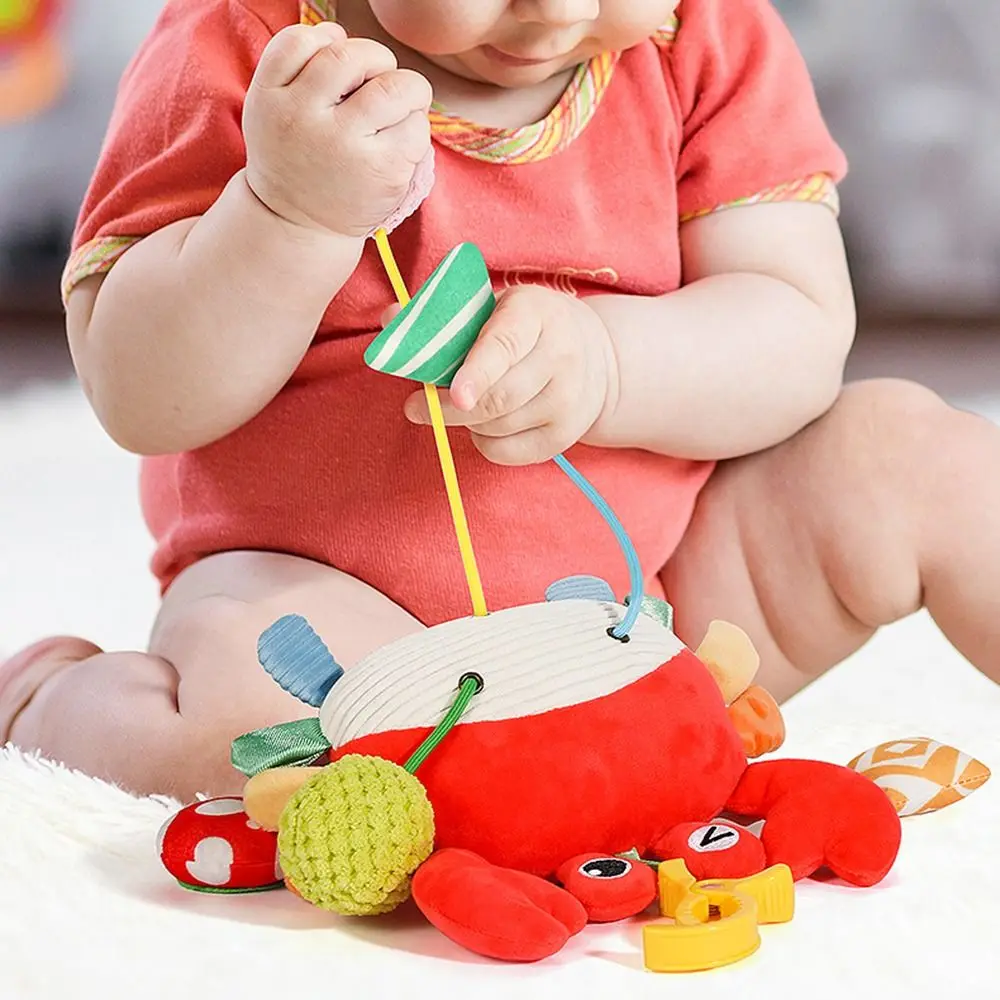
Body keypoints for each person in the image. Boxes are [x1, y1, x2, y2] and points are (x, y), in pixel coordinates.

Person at [4, 0, 998, 801]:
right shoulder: (254, 47)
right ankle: (51, 702)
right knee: (271, 753)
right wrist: (285, 210)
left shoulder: (705, 34)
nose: (560, 10)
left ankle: (614, 745)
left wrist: (610, 365)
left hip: (654, 611)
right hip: (333, 602)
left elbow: (796, 330)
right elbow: (142, 395)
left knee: (919, 459)